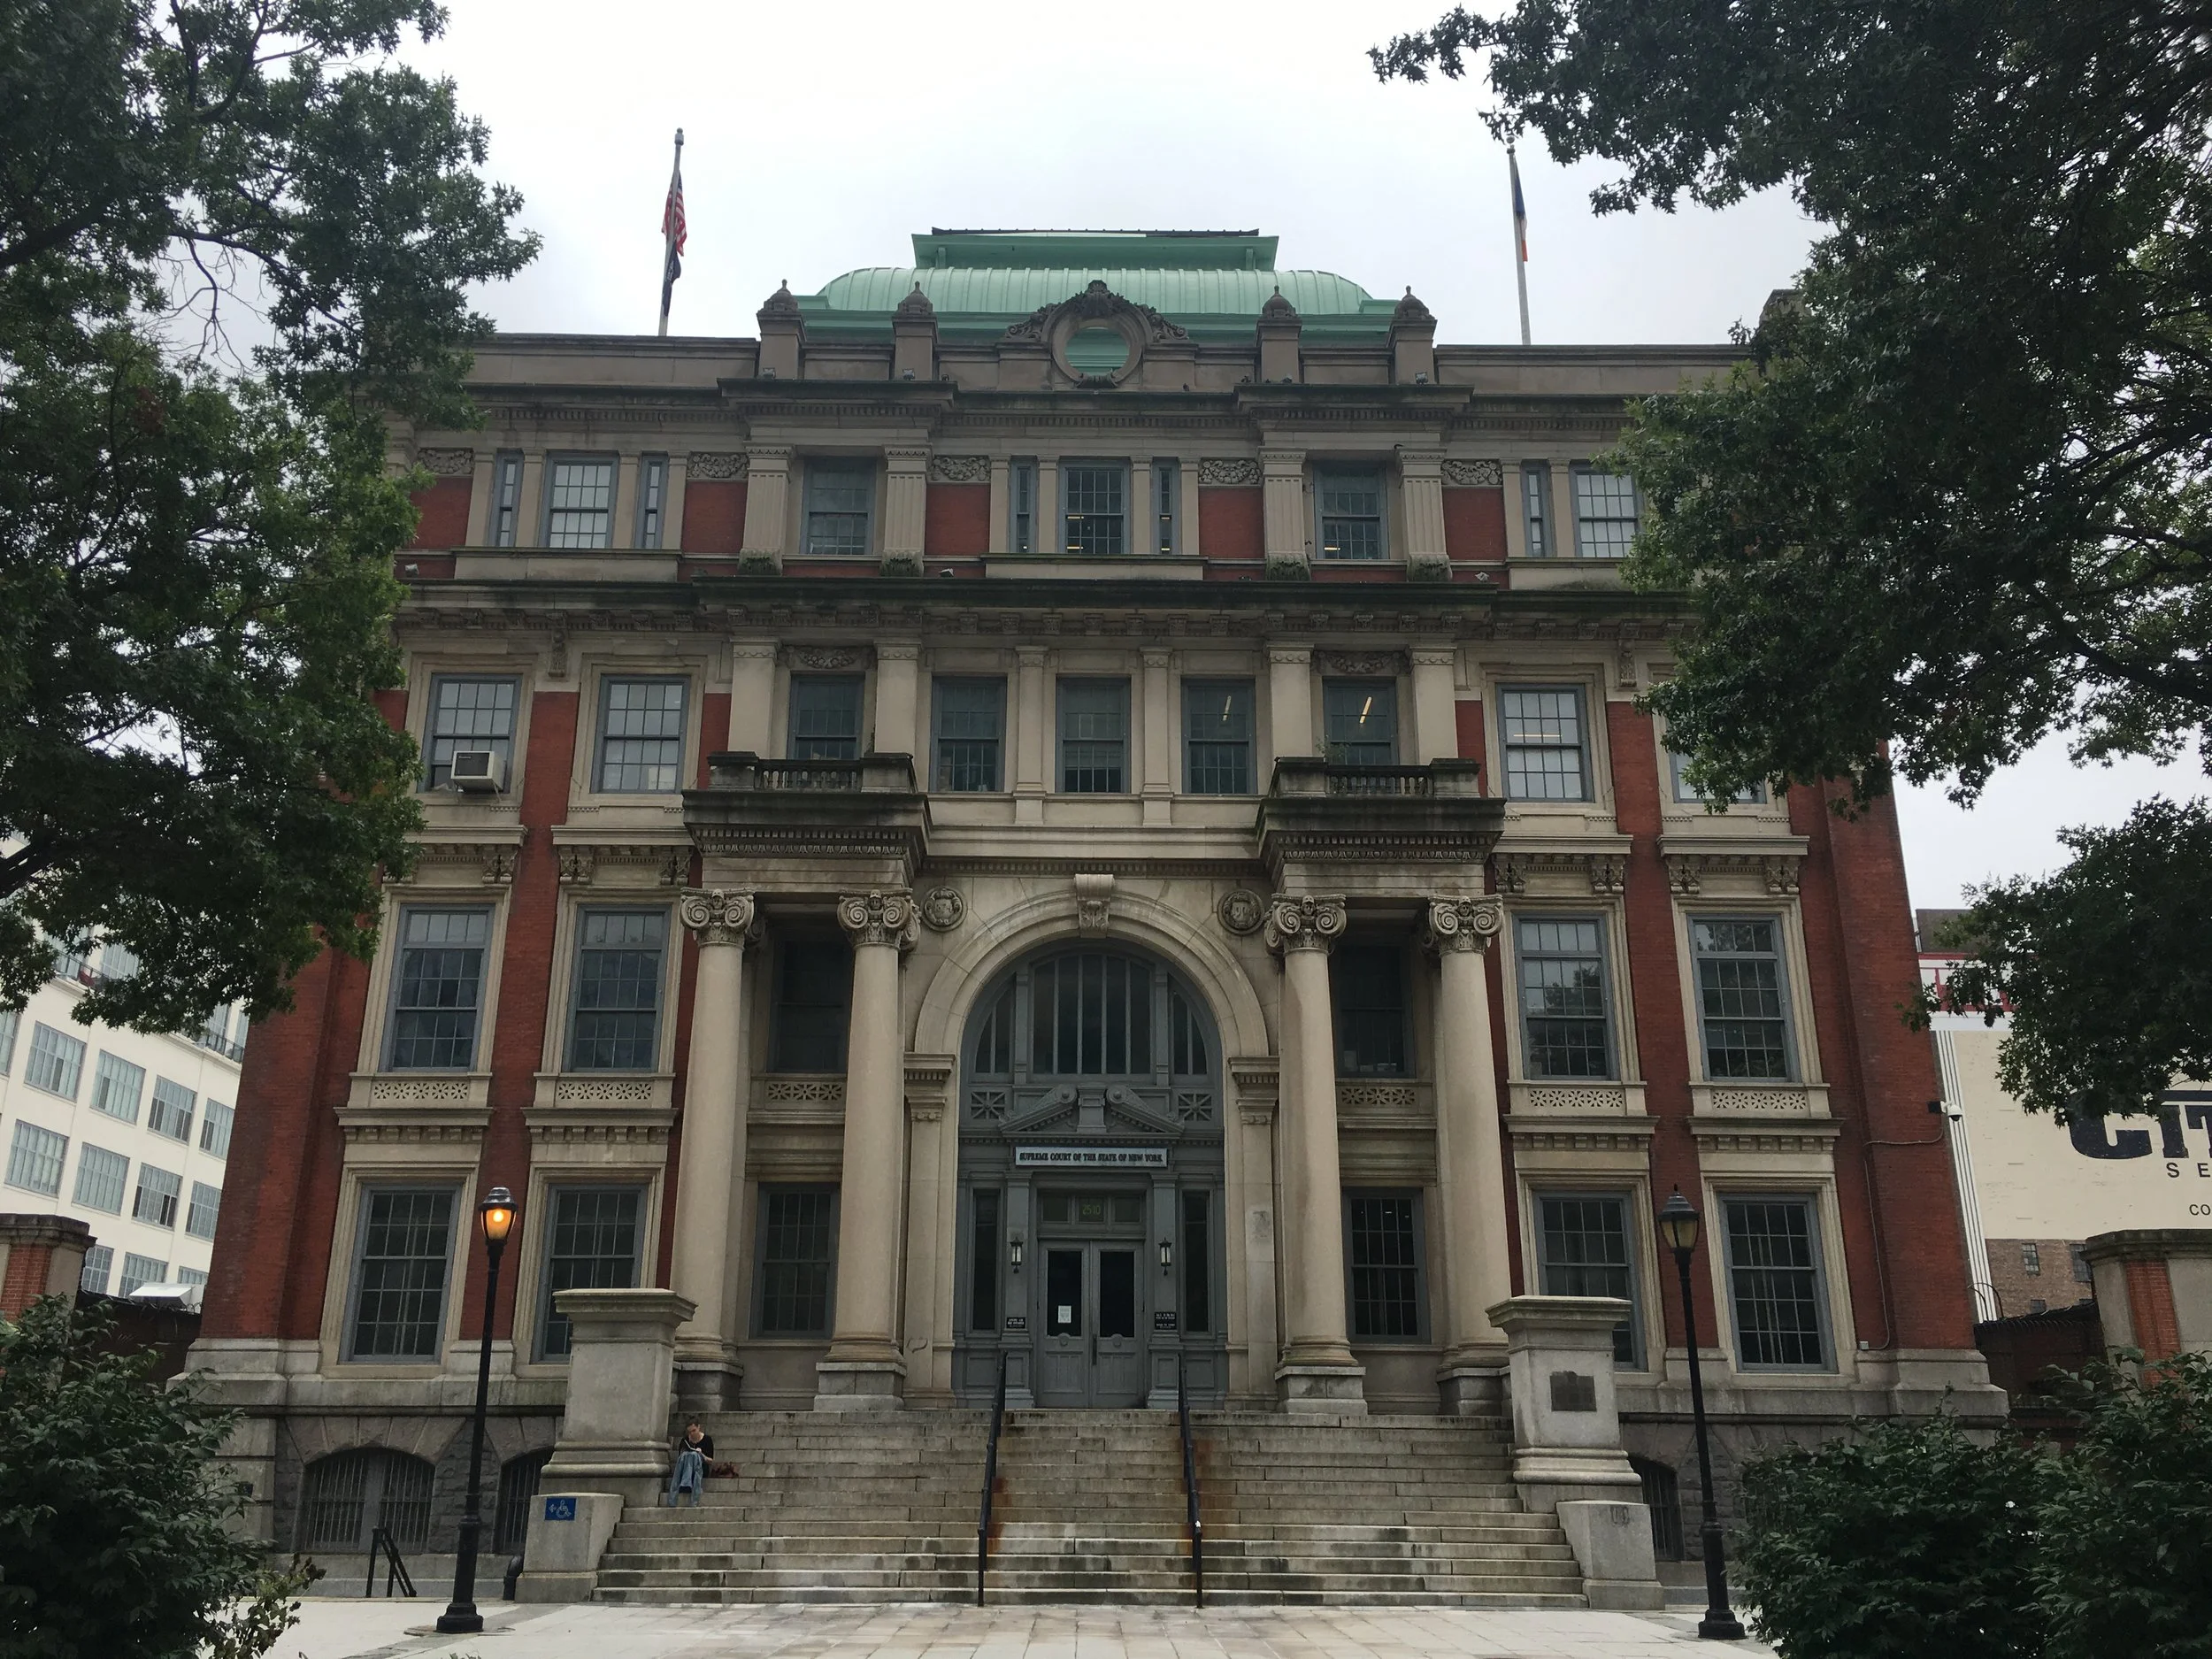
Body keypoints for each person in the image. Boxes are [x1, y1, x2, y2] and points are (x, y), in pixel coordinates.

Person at [666, 1419, 713, 1507]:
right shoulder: (685, 1440)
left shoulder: (707, 1439)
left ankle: (685, 1484)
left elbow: (710, 1461)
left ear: (699, 1427)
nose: (692, 1433)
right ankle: (686, 1483)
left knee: (695, 1456)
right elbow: (680, 1459)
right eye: (690, 1432)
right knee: (687, 1455)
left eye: (694, 1430)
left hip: (701, 1468)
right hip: (685, 1468)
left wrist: (701, 1454)